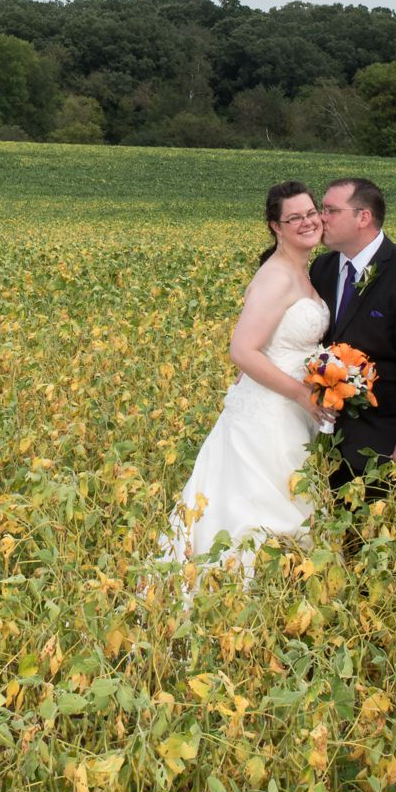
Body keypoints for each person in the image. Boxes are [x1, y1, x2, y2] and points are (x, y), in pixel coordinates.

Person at [156, 181, 336, 583]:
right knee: (257, 511)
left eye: (311, 213)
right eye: (295, 218)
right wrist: (303, 394)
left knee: (290, 500)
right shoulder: (277, 277)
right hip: (274, 410)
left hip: (289, 409)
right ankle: (237, 597)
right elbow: (242, 350)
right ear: (276, 226)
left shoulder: (304, 272)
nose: (308, 222)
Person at [309, 177, 396, 506]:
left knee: (380, 537)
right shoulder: (324, 267)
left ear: (363, 217)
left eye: (330, 210)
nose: (320, 218)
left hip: (389, 439)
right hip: (331, 433)